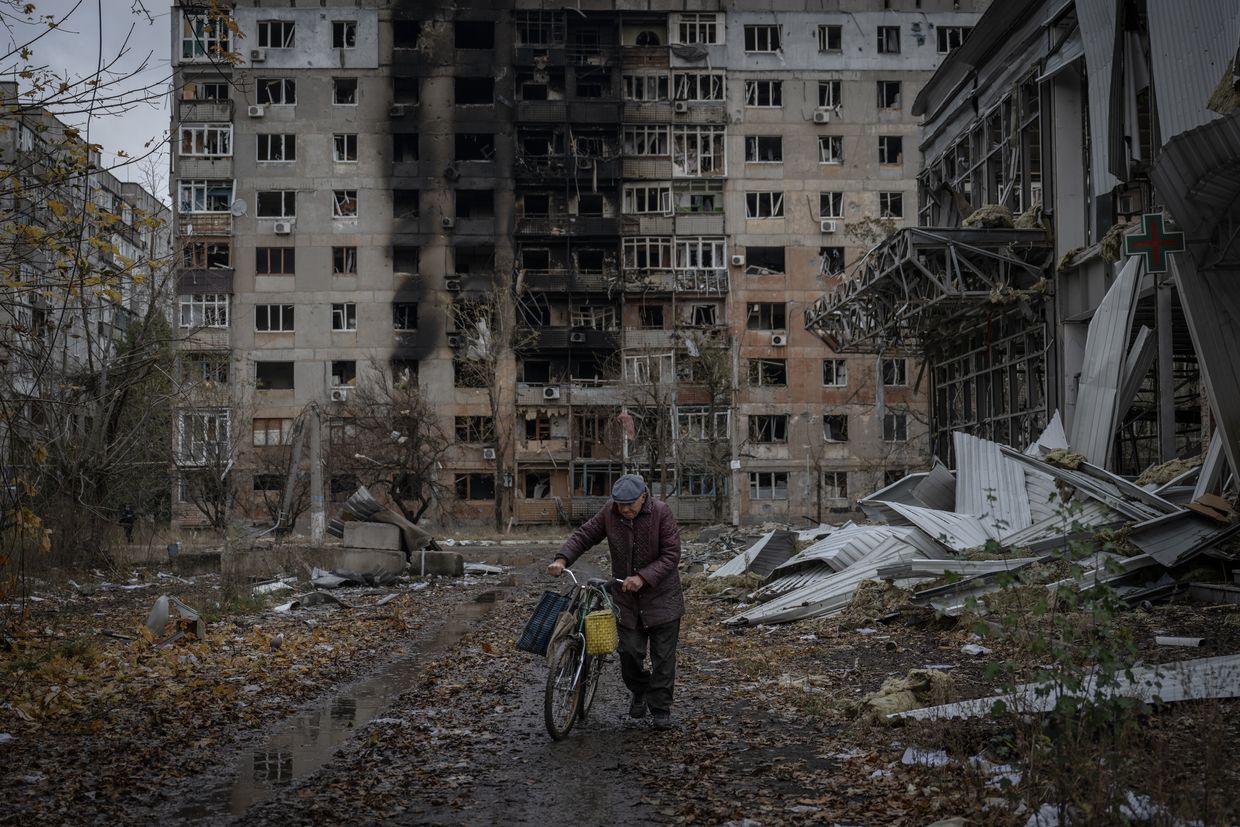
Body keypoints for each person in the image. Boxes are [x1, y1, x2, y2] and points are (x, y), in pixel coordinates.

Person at [547, 473, 684, 730]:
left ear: (644, 496)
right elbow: (585, 535)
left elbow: (671, 555)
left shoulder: (661, 513)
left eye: (630, 504)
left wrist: (643, 577)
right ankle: (640, 690)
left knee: (663, 658)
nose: (625, 509)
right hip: (627, 599)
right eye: (620, 504)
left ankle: (660, 709)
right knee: (629, 653)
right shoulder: (611, 513)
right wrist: (562, 558)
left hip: (663, 599)